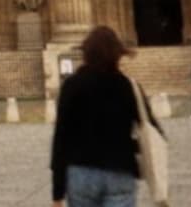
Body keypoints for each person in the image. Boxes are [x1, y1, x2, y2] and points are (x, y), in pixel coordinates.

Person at [50, 24, 163, 206]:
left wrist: (57, 193)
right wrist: (128, 146)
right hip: (120, 170)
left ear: (86, 53)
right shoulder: (128, 86)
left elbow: (61, 139)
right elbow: (153, 130)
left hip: (81, 172)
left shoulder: (72, 86)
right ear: (118, 54)